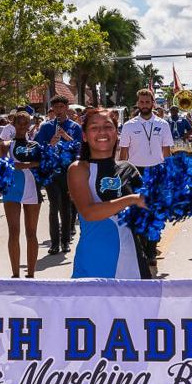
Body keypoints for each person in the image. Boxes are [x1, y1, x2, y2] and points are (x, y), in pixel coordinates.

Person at [69, 109, 148, 279]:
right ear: (84, 136)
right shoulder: (79, 169)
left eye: (108, 126)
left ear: (116, 133)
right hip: (95, 261)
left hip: (133, 260)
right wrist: (132, 199)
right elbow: (89, 213)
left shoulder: (128, 168)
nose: (102, 132)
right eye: (94, 128)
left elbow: (148, 213)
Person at [35, 96, 80, 254]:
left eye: (62, 107)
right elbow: (37, 148)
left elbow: (80, 149)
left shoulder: (75, 127)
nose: (59, 110)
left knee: (66, 206)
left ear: (66, 107)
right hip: (51, 172)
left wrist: (67, 138)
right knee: (54, 206)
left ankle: (65, 241)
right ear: (52, 109)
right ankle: (55, 243)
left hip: (68, 172)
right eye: (56, 108)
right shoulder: (46, 127)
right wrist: (50, 144)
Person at [2, 109, 42, 278]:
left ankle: (31, 274)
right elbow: (3, 166)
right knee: (14, 231)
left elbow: (42, 164)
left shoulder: (36, 145)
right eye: (20, 123)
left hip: (32, 188)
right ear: (13, 124)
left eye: (26, 123)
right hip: (12, 189)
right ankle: (15, 273)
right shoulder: (6, 144)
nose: (23, 126)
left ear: (30, 125)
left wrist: (21, 165)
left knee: (31, 232)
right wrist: (29, 164)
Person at [119, 89, 173, 169]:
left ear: (153, 103)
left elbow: (166, 150)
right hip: (135, 170)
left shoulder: (163, 124)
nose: (144, 105)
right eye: (141, 102)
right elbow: (123, 152)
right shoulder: (128, 125)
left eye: (147, 102)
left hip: (157, 169)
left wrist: (168, 170)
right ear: (137, 103)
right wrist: (121, 173)